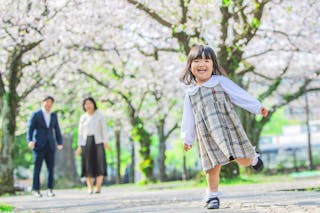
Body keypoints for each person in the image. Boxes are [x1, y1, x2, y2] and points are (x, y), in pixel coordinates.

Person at [180, 45, 268, 209]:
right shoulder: (190, 93)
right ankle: (212, 195)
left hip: (227, 128)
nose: (202, 64)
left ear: (213, 65)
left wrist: (257, 107)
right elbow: (188, 118)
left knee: (243, 160)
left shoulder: (220, 82)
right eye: (197, 61)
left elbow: (240, 95)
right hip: (206, 133)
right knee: (211, 165)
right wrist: (187, 138)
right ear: (190, 66)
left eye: (207, 60)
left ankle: (252, 158)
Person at [27, 96, 63, 197]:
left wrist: (59, 142)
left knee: (51, 169)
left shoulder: (54, 115)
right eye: (47, 102)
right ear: (42, 103)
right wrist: (30, 140)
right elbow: (30, 128)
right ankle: (36, 189)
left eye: (51, 102)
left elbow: (57, 129)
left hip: (50, 145)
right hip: (38, 145)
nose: (48, 104)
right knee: (37, 168)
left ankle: (50, 189)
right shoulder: (36, 114)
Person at [76, 97, 110, 194]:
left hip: (98, 141)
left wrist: (105, 142)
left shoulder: (100, 116)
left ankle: (98, 187)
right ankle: (90, 187)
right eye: (86, 104)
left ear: (94, 104)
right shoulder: (83, 117)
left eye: (90, 103)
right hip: (86, 142)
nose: (88, 106)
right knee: (87, 165)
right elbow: (80, 132)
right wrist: (79, 146)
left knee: (100, 164)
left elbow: (104, 129)